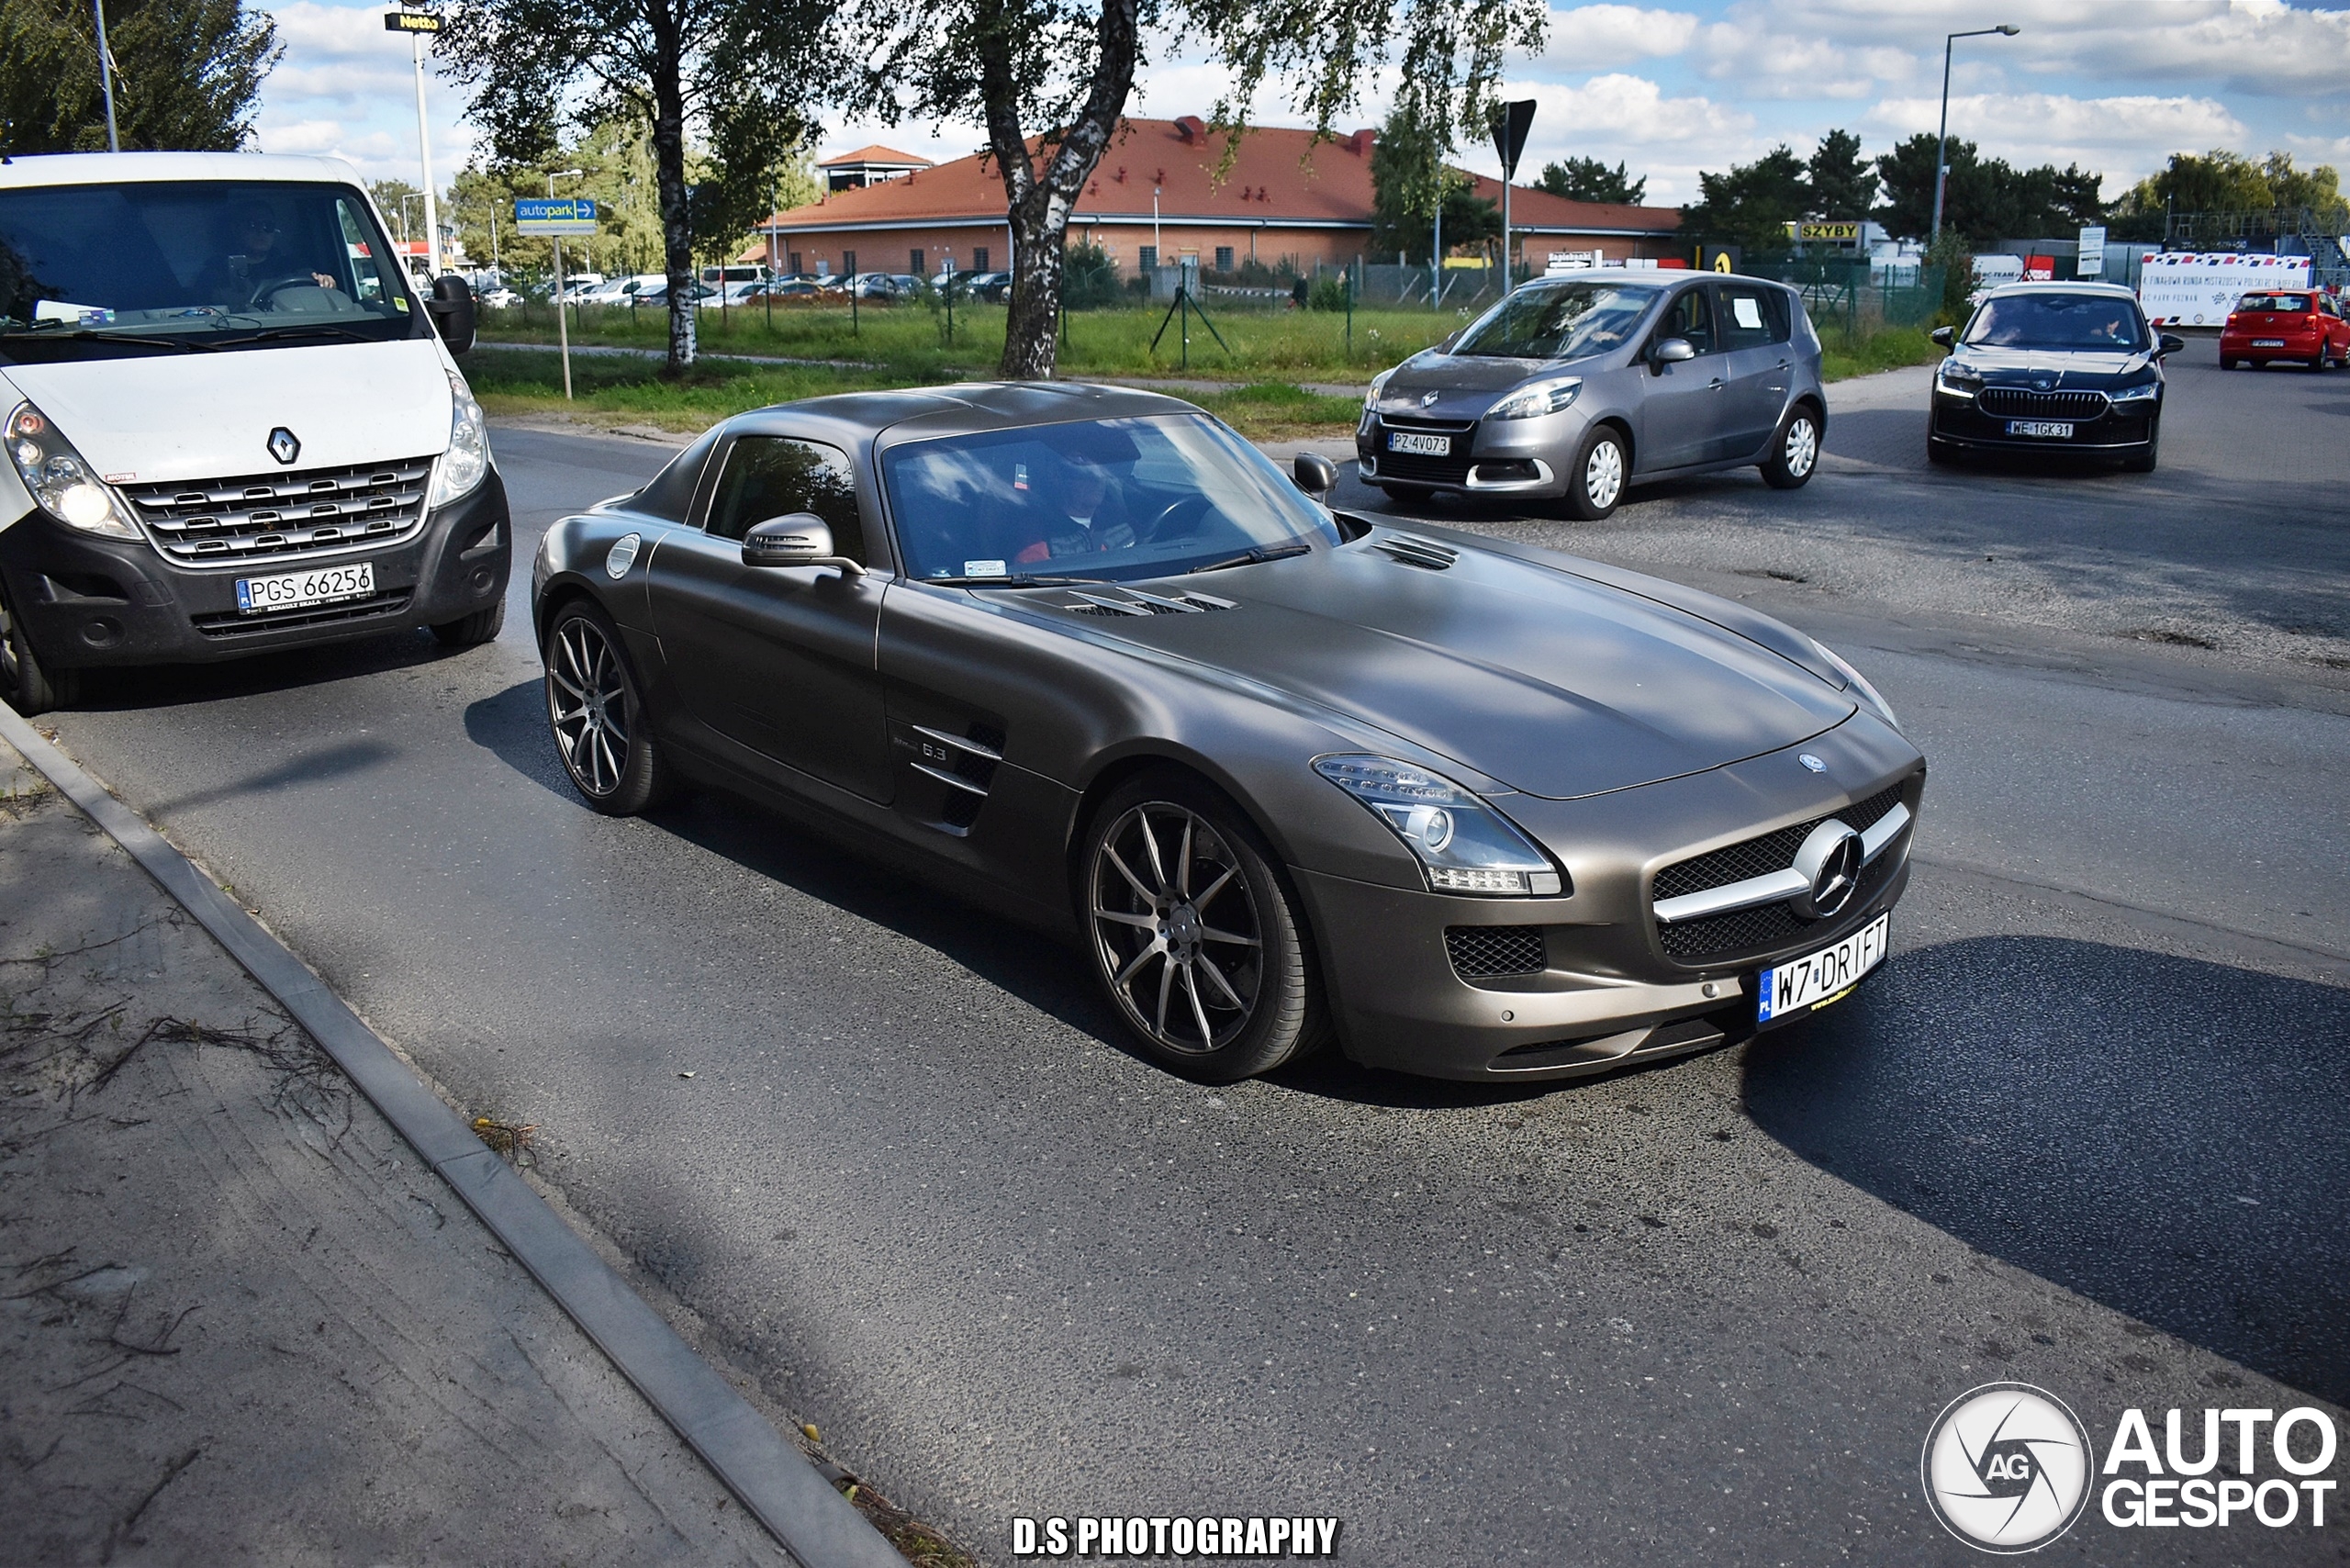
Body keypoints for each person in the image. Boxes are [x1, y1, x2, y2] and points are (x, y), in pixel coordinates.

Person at [199, 200, 336, 308]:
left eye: (268, 226)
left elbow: (318, 302)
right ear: (236, 230)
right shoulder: (214, 275)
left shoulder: (295, 268)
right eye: (252, 225)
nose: (261, 232)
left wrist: (326, 284)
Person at [1014, 453, 1136, 563]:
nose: (1098, 479)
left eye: (1102, 471)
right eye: (1086, 472)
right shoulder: (1040, 539)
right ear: (1057, 476)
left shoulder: (1116, 516)